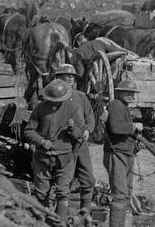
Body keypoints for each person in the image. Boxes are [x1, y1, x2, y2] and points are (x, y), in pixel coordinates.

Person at [24, 79, 86, 221]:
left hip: (65, 158)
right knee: (41, 192)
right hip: (43, 157)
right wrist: (41, 141)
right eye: (52, 100)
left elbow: (80, 134)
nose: (54, 103)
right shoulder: (39, 108)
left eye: (58, 100)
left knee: (63, 192)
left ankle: (59, 222)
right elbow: (28, 132)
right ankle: (40, 222)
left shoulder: (72, 108)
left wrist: (72, 129)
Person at [102, 80, 144, 227]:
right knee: (120, 195)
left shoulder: (123, 107)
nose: (131, 95)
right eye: (127, 92)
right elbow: (115, 127)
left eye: (133, 93)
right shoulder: (116, 105)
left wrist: (135, 143)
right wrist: (134, 127)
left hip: (125, 154)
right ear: (119, 92)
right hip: (116, 154)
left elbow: (122, 133)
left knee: (126, 194)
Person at [54, 64, 95, 212]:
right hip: (64, 144)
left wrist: (88, 130)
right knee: (64, 181)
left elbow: (90, 117)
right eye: (67, 75)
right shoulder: (53, 97)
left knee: (88, 178)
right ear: (58, 78)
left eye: (73, 75)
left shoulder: (81, 96)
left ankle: (85, 212)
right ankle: (59, 215)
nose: (71, 77)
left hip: (81, 143)